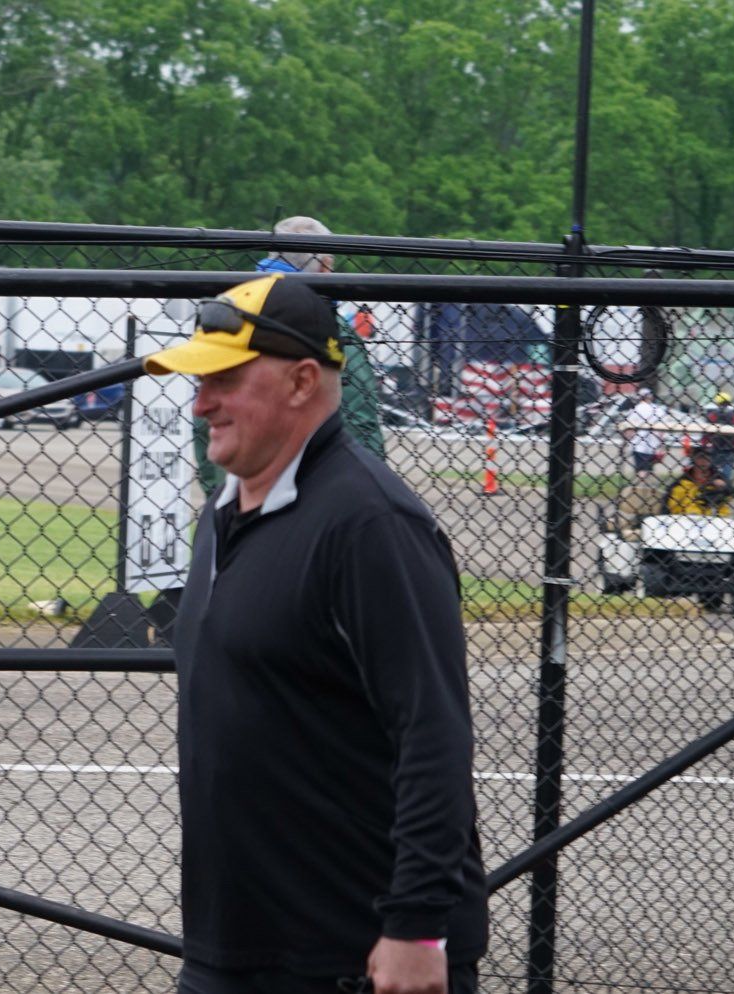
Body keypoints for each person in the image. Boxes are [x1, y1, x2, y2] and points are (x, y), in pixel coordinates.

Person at [145, 274, 488, 994]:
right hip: (234, 947)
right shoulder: (222, 511)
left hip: (355, 958)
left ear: (302, 381)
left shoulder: (371, 526)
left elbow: (433, 734)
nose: (201, 401)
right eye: (198, 380)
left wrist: (417, 926)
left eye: (225, 379)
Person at [194, 216, 385, 496]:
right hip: (320, 497)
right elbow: (361, 419)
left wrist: (217, 497)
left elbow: (204, 423)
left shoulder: (231, 310)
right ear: (325, 267)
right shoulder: (331, 327)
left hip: (236, 495)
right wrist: (371, 488)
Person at [665, 448, 733, 517]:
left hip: (712, 517)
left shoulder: (717, 477)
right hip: (687, 517)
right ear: (694, 460)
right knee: (679, 491)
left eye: (707, 458)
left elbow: (731, 492)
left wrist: (724, 486)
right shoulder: (682, 482)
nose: (704, 461)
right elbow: (670, 503)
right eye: (700, 458)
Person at [619, 388, 670, 479]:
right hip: (654, 444)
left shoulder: (637, 408)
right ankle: (647, 487)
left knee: (641, 470)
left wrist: (624, 443)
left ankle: (642, 487)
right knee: (648, 468)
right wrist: (663, 446)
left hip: (639, 444)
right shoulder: (658, 409)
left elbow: (629, 428)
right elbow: (663, 430)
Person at [700, 391, 734, 483]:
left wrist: (704, 445)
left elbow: (706, 434)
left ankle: (713, 486)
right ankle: (724, 488)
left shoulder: (712, 416)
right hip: (730, 449)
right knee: (727, 473)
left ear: (717, 403)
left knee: (713, 472)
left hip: (715, 448)